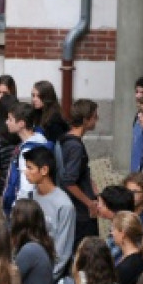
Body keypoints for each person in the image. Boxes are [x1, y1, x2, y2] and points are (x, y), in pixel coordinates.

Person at [22, 146, 75, 278]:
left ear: (44, 170)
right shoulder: (29, 197)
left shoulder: (64, 205)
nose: (25, 172)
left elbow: (62, 251)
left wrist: (47, 279)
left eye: (30, 168)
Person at [0, 102, 52, 218]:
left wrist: (16, 210)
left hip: (22, 212)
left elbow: (26, 187)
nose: (6, 122)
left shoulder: (27, 151)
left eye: (10, 119)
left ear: (21, 124)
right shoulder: (40, 139)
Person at [59, 100, 99, 245]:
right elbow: (69, 181)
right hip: (80, 212)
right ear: (85, 119)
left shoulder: (66, 140)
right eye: (94, 116)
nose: (97, 120)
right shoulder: (75, 146)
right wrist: (89, 203)